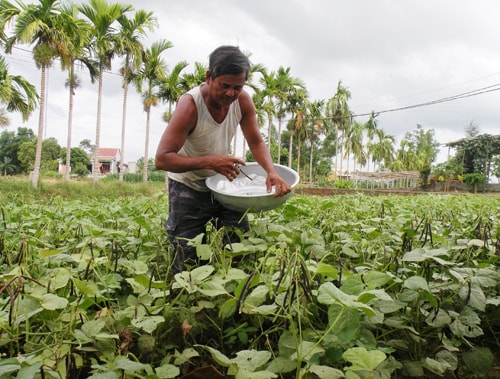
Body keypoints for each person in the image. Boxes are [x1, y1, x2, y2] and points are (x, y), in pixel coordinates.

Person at [155, 45, 291, 274]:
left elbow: (256, 141)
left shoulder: (243, 101)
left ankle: (233, 295)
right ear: (209, 77)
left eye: (237, 87)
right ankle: (192, 303)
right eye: (225, 86)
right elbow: (162, 159)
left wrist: (272, 172)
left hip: (224, 185)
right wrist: (210, 162)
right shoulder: (190, 105)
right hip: (188, 185)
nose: (231, 93)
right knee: (187, 258)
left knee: (238, 245)